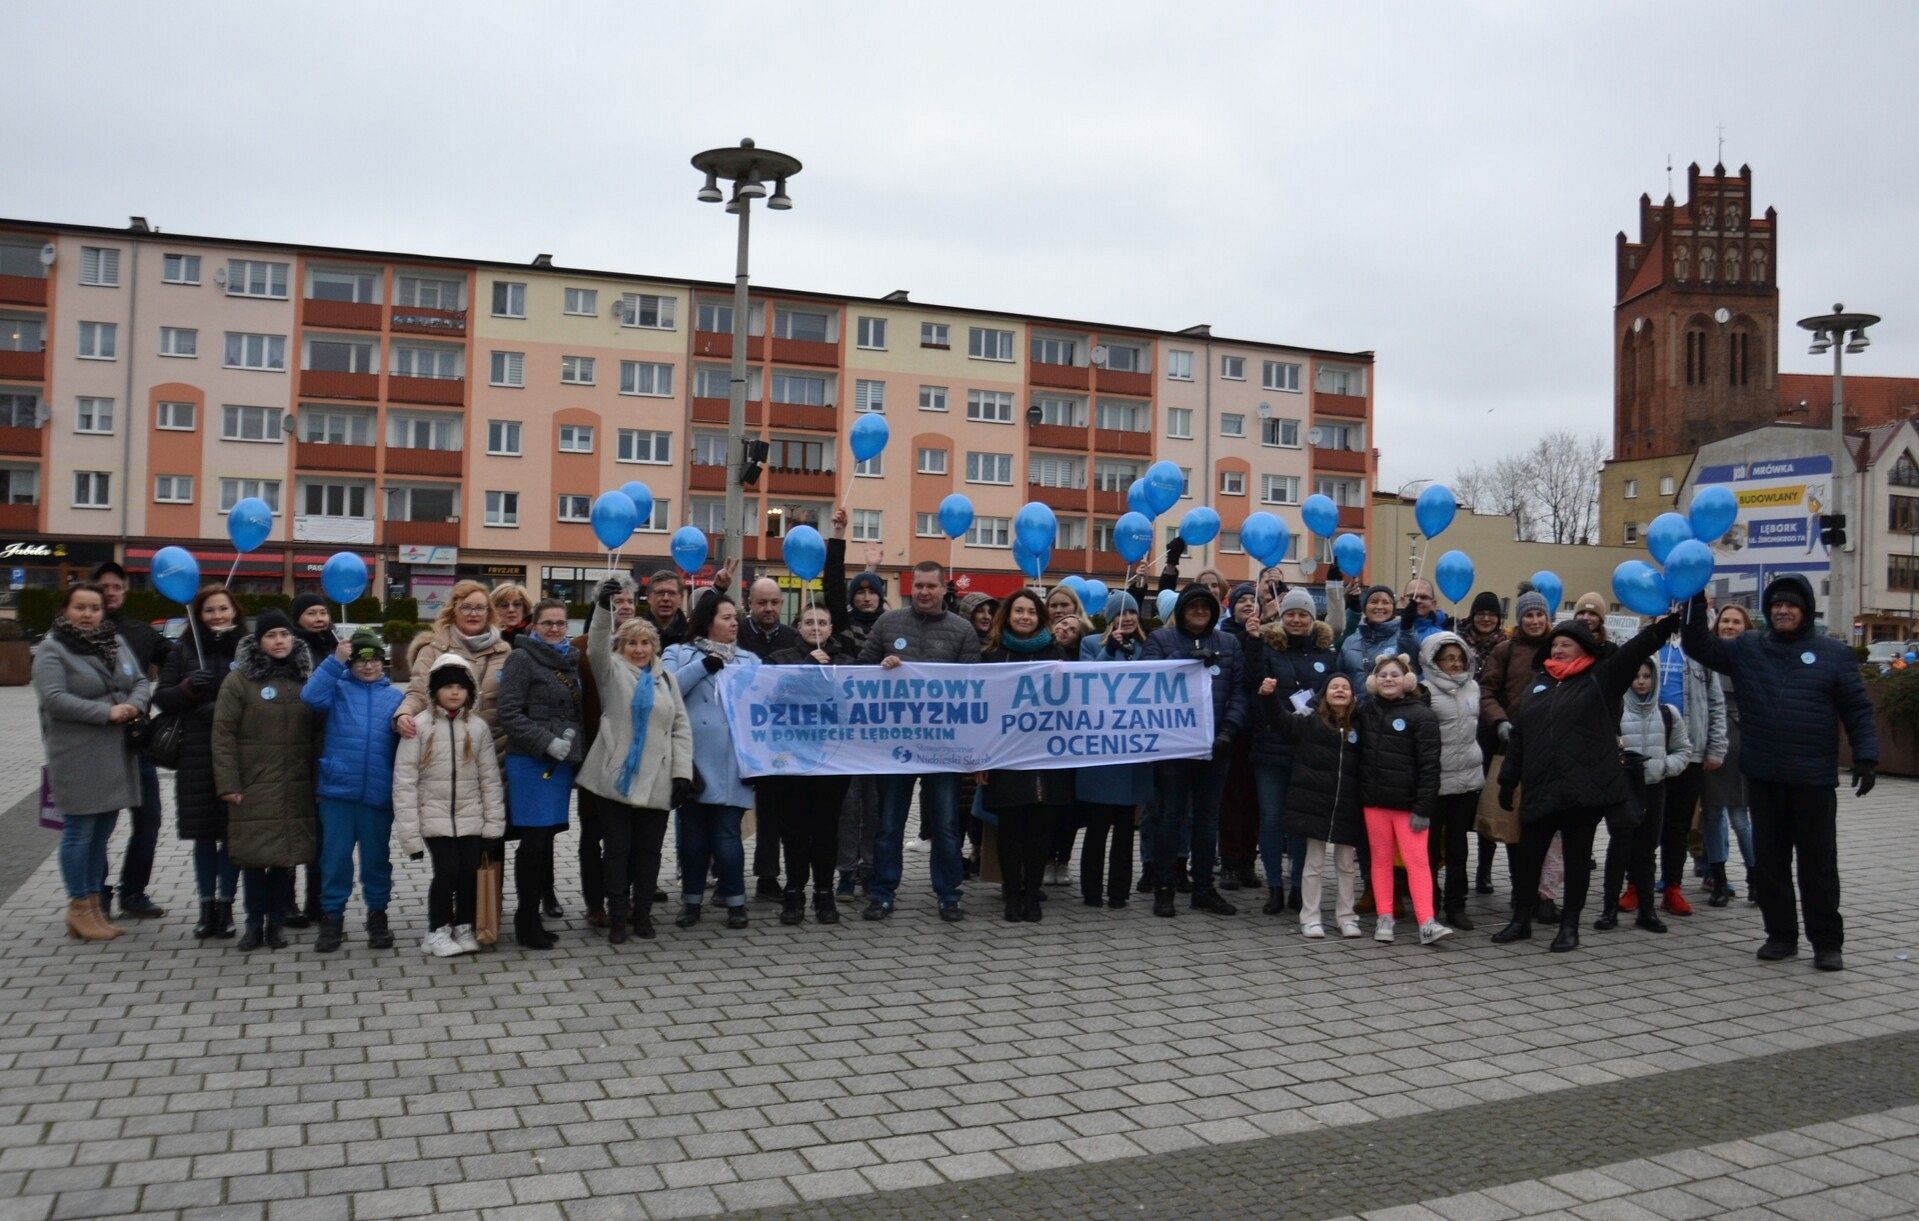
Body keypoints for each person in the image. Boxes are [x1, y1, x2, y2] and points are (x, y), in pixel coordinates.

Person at [1680, 579, 1878, 971]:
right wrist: (1692, 604)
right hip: (1765, 777)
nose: (1782, 611)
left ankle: (1826, 942)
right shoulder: (1749, 649)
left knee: (1818, 865)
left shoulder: (1834, 654)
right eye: (1775, 606)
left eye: (1790, 606)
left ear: (1804, 610)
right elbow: (1699, 647)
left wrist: (1867, 757)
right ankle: (1780, 935)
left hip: (1814, 780)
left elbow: (1857, 709)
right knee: (1771, 863)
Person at [1494, 609, 1680, 953]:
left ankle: (1569, 926)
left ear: (1584, 649)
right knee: (1527, 857)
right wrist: (1508, 779)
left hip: (1584, 789)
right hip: (1540, 787)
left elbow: (1632, 653)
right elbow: (1520, 735)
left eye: (1566, 644)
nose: (1558, 650)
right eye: (1554, 645)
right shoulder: (1539, 684)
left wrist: (1660, 629)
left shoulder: (1601, 678)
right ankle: (1521, 920)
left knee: (1577, 859)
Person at [856, 561, 983, 921]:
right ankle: (882, 893)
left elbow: (973, 688)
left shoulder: (962, 631)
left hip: (942, 746)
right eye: (919, 586)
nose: (925, 592)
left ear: (945, 589)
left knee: (944, 825)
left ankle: (949, 893)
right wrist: (883, 667)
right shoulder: (888, 622)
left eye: (931, 586)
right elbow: (861, 670)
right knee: (890, 823)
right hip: (895, 745)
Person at [33, 582, 150, 941]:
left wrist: (135, 704)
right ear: (66, 610)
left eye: (94, 608)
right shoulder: (53, 649)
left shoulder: (113, 642)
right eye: (80, 608)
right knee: (79, 833)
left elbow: (141, 680)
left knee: (101, 835)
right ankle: (78, 906)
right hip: (77, 754)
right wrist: (107, 712)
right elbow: (54, 699)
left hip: (115, 754)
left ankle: (95, 907)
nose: (87, 615)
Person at [578, 579, 692, 943]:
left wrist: (682, 774)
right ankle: (617, 915)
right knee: (616, 851)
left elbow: (680, 728)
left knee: (649, 852)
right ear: (621, 646)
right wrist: (602, 605)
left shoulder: (667, 680)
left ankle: (642, 913)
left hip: (657, 779)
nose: (639, 649)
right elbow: (595, 644)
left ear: (654, 646)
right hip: (615, 777)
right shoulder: (610, 670)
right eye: (632, 643)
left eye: (645, 642)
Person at [212, 609, 318, 952]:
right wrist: (229, 784)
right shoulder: (240, 680)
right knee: (254, 861)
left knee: (284, 861)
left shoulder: (306, 678)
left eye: (284, 635)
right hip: (254, 785)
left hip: (296, 784)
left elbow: (319, 731)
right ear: (259, 642)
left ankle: (276, 924)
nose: (279, 641)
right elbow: (223, 735)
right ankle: (253, 924)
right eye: (271, 636)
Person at [1142, 583, 1246, 918]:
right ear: (1182, 609)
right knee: (1170, 816)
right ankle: (1164, 887)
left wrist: (1228, 731)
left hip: (1217, 745)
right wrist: (1186, 660)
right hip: (1174, 746)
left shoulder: (1229, 643)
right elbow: (1147, 681)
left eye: (1206, 606)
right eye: (1193, 606)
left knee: (1207, 819)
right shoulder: (1161, 640)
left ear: (1214, 611)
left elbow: (1240, 692)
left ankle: (1203, 888)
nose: (1200, 611)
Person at [393, 655, 506, 957]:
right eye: (447, 687)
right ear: (434, 691)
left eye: (460, 686)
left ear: (470, 691)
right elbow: (404, 782)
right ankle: (437, 930)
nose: (454, 692)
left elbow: (490, 779)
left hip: (471, 818)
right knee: (446, 872)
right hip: (434, 818)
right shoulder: (418, 727)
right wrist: (410, 835)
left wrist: (494, 824)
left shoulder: (478, 728)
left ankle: (465, 926)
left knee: (469, 872)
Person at [300, 629, 404, 952]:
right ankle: (332, 918)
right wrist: (336, 661)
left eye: (375, 661)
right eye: (361, 661)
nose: (369, 667)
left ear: (383, 663)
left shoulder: (395, 698)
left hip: (377, 794)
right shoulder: (338, 688)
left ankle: (378, 916)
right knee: (334, 859)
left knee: (377, 859)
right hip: (338, 791)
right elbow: (309, 696)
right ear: (351, 663)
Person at [155, 585, 246, 938]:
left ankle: (227, 907)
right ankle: (206, 907)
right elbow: (162, 697)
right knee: (204, 835)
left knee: (233, 835)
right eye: (210, 610)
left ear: (235, 611)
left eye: (223, 608)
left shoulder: (248, 648)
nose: (217, 616)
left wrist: (225, 714)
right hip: (196, 753)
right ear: (198, 614)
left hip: (237, 753)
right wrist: (189, 688)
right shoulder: (183, 649)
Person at [664, 594, 760, 929]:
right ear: (708, 621)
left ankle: (736, 902)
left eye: (736, 617)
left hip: (734, 761)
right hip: (691, 762)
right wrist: (705, 664)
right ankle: (691, 902)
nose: (735, 623)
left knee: (726, 834)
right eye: (727, 617)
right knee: (692, 838)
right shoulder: (678, 653)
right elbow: (668, 689)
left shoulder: (749, 660)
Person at [978, 589, 1074, 922]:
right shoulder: (991, 656)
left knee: (1040, 833)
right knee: (1010, 832)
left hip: (1047, 760)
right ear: (1008, 615)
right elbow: (982, 713)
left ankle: (1032, 895)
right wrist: (982, 759)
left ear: (1040, 617)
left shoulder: (1057, 655)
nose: (1024, 617)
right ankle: (1011, 895)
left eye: (1031, 612)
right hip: (1006, 759)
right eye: (1018, 611)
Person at [763, 602, 859, 924]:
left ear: (831, 628)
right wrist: (805, 667)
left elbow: (854, 701)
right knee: (793, 830)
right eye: (808, 622)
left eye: (822, 622)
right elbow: (769, 695)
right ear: (798, 626)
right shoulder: (779, 659)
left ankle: (823, 893)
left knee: (826, 829)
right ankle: (794, 893)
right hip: (791, 760)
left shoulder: (845, 662)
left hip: (831, 761)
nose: (815, 628)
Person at [497, 598, 584, 950]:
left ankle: (532, 916)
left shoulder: (570, 660)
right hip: (532, 762)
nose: (554, 629)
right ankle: (526, 919)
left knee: (546, 840)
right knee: (532, 844)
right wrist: (546, 742)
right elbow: (509, 712)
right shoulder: (521, 657)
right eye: (547, 623)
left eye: (560, 623)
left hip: (561, 764)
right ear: (534, 626)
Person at [1246, 587, 1337, 915]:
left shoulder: (1327, 652)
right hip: (1270, 747)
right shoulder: (1268, 647)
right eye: (1291, 614)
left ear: (1313, 618)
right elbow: (1255, 681)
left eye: (1303, 614)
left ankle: (1299, 887)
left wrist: (1309, 710)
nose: (1296, 620)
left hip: (1307, 748)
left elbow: (1330, 690)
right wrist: (1255, 642)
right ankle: (1274, 887)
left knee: (1299, 821)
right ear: (1282, 617)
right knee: (1271, 819)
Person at [88, 561, 169, 921]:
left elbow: (180, 661)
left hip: (139, 743)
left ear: (124, 591)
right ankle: (98, 893)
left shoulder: (141, 633)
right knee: (99, 824)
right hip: (94, 746)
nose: (110, 592)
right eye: (103, 587)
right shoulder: (78, 635)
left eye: (116, 587)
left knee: (148, 819)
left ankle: (133, 893)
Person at [1629, 624, 1727, 918]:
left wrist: (1716, 747)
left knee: (1678, 825)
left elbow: (1716, 701)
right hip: (1646, 745)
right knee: (1640, 823)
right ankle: (1635, 884)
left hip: (1689, 749)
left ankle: (1672, 886)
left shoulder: (1700, 651)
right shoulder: (1647, 644)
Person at [1354, 655, 1448, 945]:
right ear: (1373, 681)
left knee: (1417, 862)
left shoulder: (1422, 716)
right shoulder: (1365, 710)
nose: (1388, 679)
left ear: (1407, 681)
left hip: (1409, 807)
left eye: (1395, 674)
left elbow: (1430, 767)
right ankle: (1384, 917)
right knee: (1380, 861)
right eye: (1382, 675)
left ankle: (1427, 922)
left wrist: (1423, 808)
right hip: (1374, 803)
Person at [1262, 673, 1363, 938]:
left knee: (1347, 864)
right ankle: (1310, 916)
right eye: (1333, 687)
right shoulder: (1310, 722)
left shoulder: (1362, 725)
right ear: (1324, 694)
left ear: (1353, 696)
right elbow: (1281, 722)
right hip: (1315, 804)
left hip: (1347, 806)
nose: (1339, 691)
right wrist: (1270, 697)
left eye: (1345, 687)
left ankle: (1346, 916)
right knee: (1313, 863)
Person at [1596, 660, 1690, 935]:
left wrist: (1664, 766)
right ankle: (1609, 908)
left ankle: (1647, 910)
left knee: (1647, 851)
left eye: (1647, 676)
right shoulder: (1616, 711)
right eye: (1635, 676)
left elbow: (1683, 749)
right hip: (1624, 790)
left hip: (1654, 787)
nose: (1641, 681)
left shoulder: (1667, 713)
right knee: (1619, 848)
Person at [1478, 589, 1553, 905]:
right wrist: (1499, 722)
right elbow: (1487, 691)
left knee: (1539, 824)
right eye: (1528, 615)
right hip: (1511, 746)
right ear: (1520, 619)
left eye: (1539, 614)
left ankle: (1538, 891)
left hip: (1549, 747)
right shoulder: (1505, 651)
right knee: (1508, 819)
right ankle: (1518, 890)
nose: (1534, 621)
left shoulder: (1560, 648)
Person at [1076, 592, 1151, 909]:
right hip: (1101, 754)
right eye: (1120, 613)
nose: (1128, 618)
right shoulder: (1092, 643)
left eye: (1132, 613)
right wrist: (1109, 650)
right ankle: (1091, 891)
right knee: (1097, 828)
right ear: (1110, 618)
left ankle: (1119, 892)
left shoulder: (1147, 648)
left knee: (1124, 830)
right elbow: (1086, 680)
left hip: (1132, 752)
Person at [824, 510, 885, 899]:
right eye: (860, 591)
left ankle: (871, 867)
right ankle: (845, 870)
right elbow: (831, 581)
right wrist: (839, 535)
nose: (865, 597)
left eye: (872, 591)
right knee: (847, 805)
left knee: (875, 804)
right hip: (845, 731)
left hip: (879, 731)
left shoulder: (892, 626)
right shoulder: (842, 626)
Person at [573, 579, 636, 928]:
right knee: (591, 835)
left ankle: (621, 897)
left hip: (630, 761)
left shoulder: (643, 649)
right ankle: (594, 902)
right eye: (616, 600)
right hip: (594, 758)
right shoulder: (580, 648)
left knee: (625, 836)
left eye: (628, 600)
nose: (624, 606)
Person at [737, 576, 803, 900]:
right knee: (730, 811)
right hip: (739, 738)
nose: (768, 608)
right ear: (749, 603)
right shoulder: (736, 633)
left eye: (775, 602)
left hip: (780, 742)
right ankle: (724, 877)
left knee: (774, 813)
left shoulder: (793, 638)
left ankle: (768, 876)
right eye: (762, 602)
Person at [396, 580, 513, 757]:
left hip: (495, 751)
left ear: (489, 612)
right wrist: (404, 714)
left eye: (480, 608)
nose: (473, 613)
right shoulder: (432, 650)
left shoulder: (504, 652)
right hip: (446, 750)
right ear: (453, 611)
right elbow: (418, 693)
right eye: (466, 607)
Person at [1418, 632, 1483, 930]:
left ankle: (1456, 905)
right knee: (1430, 849)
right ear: (1434, 661)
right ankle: (1428, 903)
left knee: (1459, 848)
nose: (1455, 664)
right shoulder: (1423, 691)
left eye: (1459, 658)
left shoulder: (1474, 688)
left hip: (1467, 780)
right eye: (1448, 658)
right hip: (1435, 782)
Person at [286, 592, 341, 927]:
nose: (320, 618)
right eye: (311, 613)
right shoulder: (292, 649)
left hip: (330, 745)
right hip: (296, 745)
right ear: (298, 618)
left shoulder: (338, 646)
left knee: (323, 834)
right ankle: (287, 902)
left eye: (323, 612)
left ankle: (317, 902)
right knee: (295, 829)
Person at [1699, 603, 1757, 906]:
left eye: (1736, 622)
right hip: (1712, 739)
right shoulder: (1707, 655)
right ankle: (1718, 878)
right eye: (1725, 621)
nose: (1729, 626)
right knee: (1711, 813)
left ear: (1745, 627)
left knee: (1738, 814)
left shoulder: (1753, 657)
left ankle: (1755, 876)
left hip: (1740, 740)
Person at [1339, 585, 1414, 683]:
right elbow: (1340, 676)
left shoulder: (1404, 638)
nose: (1379, 607)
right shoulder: (1350, 642)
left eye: (1385, 602)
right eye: (1373, 602)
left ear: (1393, 608)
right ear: (1365, 608)